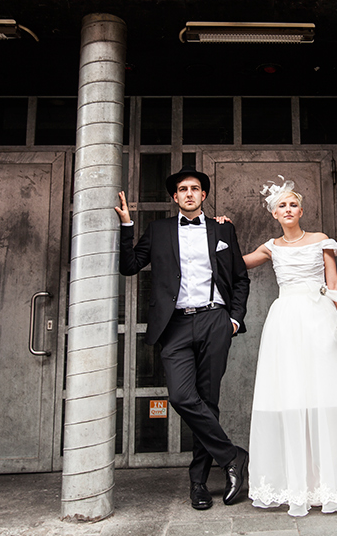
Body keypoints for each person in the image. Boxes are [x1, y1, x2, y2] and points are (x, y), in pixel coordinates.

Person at [242, 178, 337, 517]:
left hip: (320, 318)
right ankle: (301, 482)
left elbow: (334, 284)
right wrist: (217, 233)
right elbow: (239, 263)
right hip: (287, 323)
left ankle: (335, 481)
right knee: (293, 394)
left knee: (330, 392)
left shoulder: (321, 240)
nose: (288, 209)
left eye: (293, 204)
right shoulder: (271, 247)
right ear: (274, 214)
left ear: (301, 210)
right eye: (281, 206)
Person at [115, 166, 251, 511]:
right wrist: (127, 225)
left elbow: (239, 278)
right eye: (182, 189)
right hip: (174, 326)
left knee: (209, 401)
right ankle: (232, 456)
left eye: (195, 188)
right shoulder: (158, 230)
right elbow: (130, 266)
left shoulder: (223, 229)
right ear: (174, 197)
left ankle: (199, 484)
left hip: (214, 320)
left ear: (203, 196)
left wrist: (234, 319)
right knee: (181, 396)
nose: (189, 193)